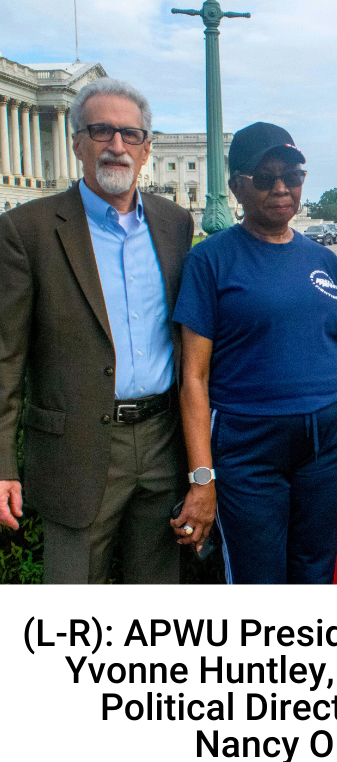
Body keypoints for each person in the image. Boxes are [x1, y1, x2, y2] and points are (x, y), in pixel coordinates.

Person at [0, 79, 193, 583]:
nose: (116, 146)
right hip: (77, 449)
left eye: (130, 134)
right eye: (101, 130)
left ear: (147, 148)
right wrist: (2, 463)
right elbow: (6, 358)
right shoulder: (27, 230)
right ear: (77, 141)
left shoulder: (175, 224)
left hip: (160, 441)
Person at [172, 122, 337, 584]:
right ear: (236, 186)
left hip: (327, 441)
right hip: (249, 444)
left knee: (317, 573)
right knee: (258, 581)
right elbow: (193, 377)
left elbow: (329, 343)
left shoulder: (323, 260)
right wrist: (201, 478)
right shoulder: (210, 259)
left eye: (291, 176)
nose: (280, 188)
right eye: (264, 177)